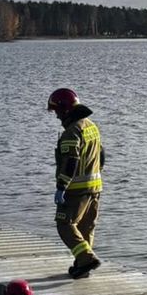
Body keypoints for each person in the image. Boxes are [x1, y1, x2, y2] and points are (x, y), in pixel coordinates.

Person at [47, 88, 104, 278]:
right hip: (95, 187)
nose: (56, 116)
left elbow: (71, 160)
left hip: (76, 189)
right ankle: (82, 265)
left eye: (56, 112)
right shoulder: (91, 126)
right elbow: (101, 155)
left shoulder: (71, 132)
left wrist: (61, 187)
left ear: (64, 110)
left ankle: (87, 259)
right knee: (85, 227)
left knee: (65, 224)